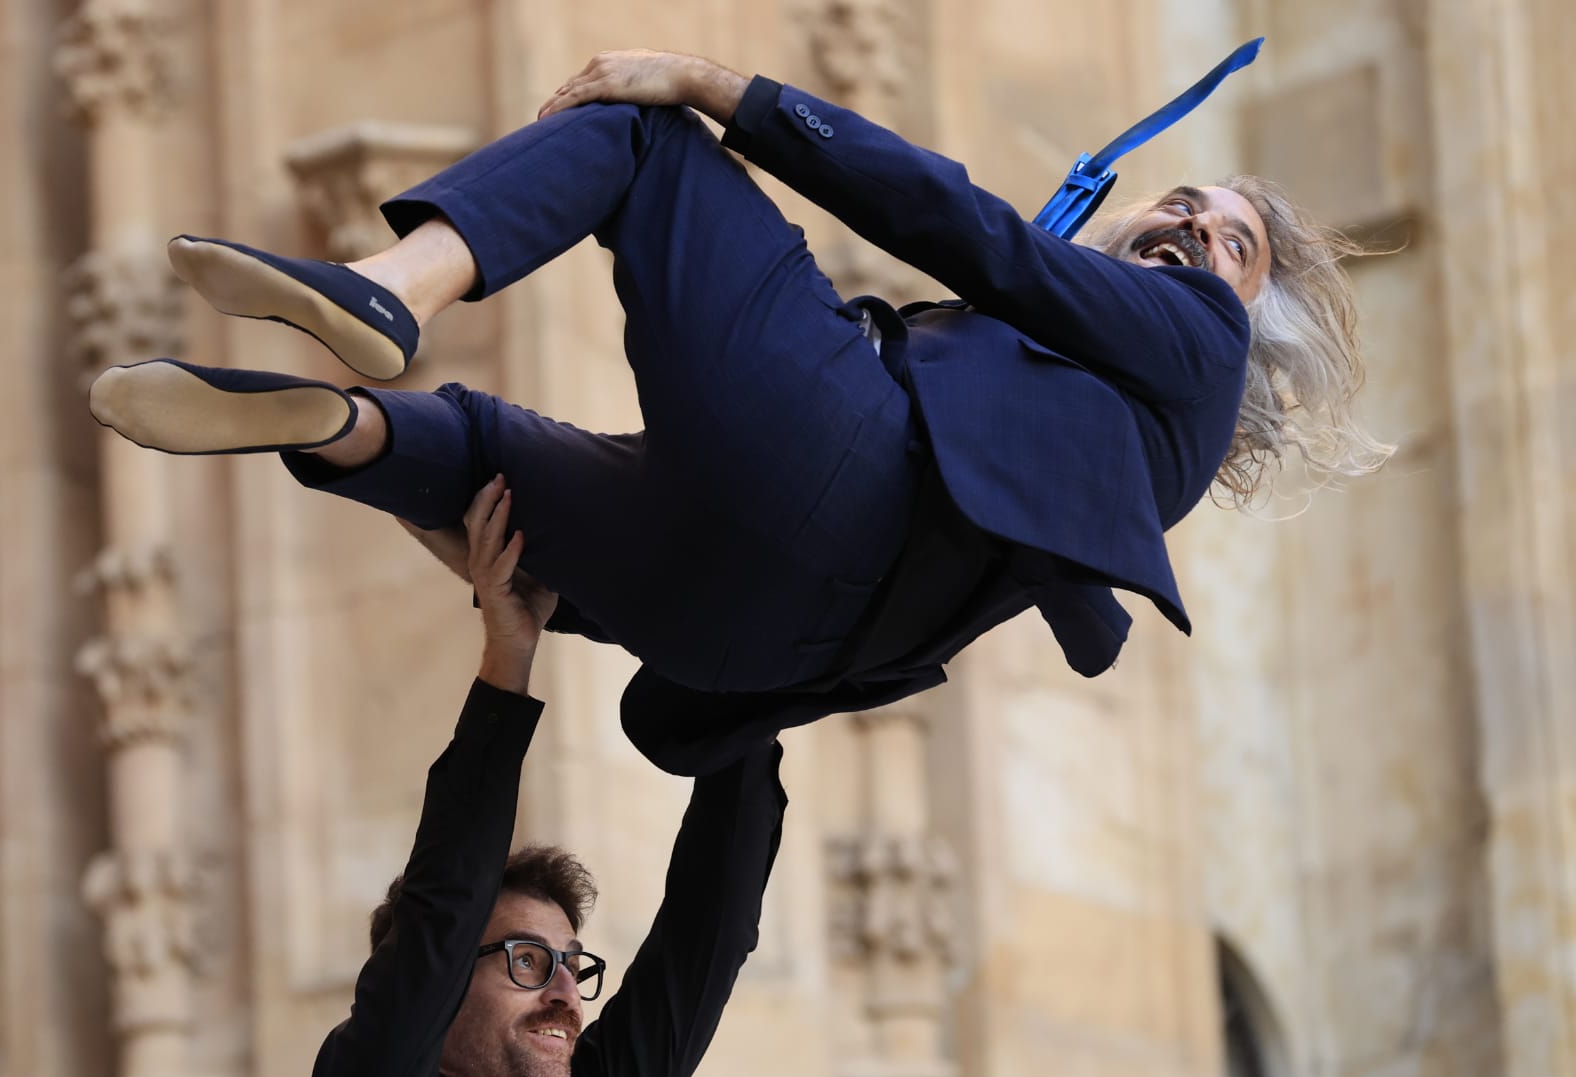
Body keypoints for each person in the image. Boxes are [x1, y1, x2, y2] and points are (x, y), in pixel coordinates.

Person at [90, 48, 1389, 775]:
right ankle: (331, 424)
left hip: (843, 481)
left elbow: (984, 240)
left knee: (647, 145)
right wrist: (564, 597)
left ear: (1245, 318)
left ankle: (382, 292)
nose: (1190, 232)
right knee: (488, 452)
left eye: (1233, 245)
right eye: (1183, 204)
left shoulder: (1193, 347)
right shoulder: (1104, 442)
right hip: (747, 642)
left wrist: (729, 90)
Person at [284, 474, 786, 1077]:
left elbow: (707, 936)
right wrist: (507, 653)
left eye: (571, 963)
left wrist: (739, 686)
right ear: (439, 991)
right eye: (525, 959)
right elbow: (442, 908)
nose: (565, 992)